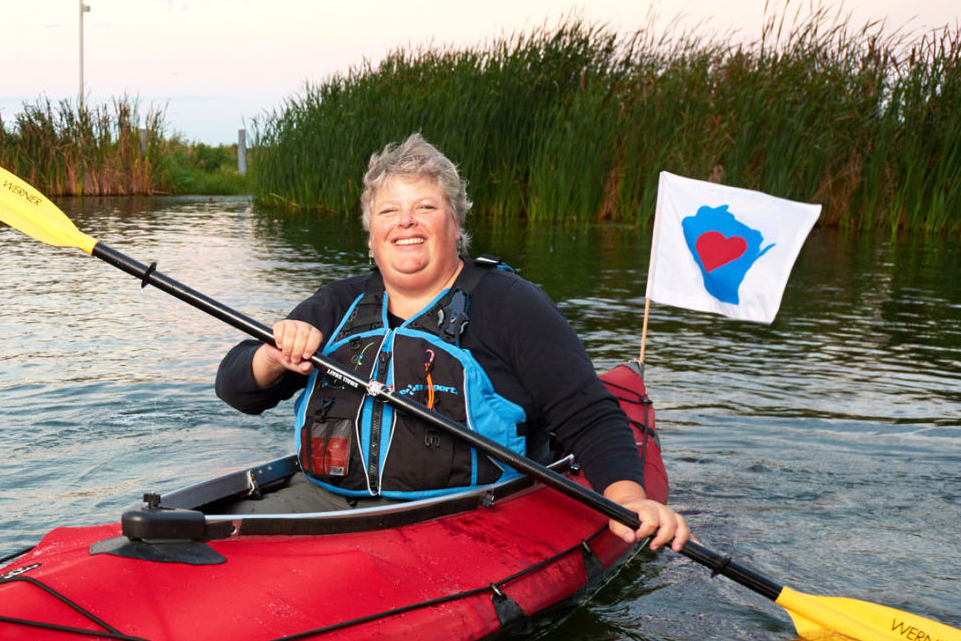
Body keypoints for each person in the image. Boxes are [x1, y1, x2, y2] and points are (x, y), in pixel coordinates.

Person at [214, 133, 690, 552]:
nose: (406, 222)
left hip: (465, 518)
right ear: (371, 234)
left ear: (455, 224)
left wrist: (629, 500)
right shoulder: (338, 305)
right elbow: (235, 389)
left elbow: (587, 416)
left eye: (425, 207)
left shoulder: (511, 305)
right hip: (327, 503)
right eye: (389, 211)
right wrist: (273, 356)